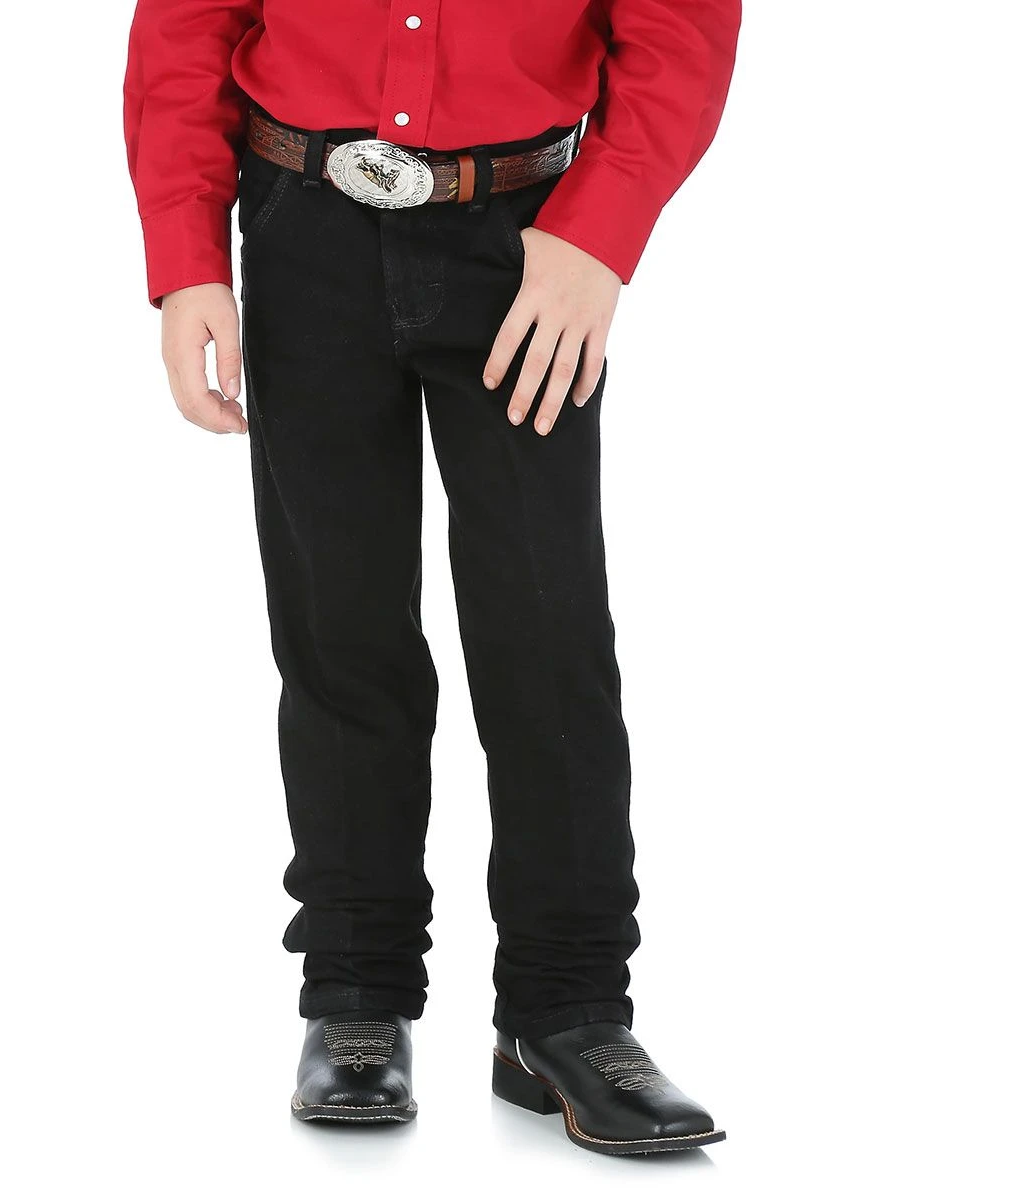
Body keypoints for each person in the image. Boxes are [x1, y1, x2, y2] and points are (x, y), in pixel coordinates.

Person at [123, 0, 740, 1154]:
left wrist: (601, 229)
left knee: (547, 633)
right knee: (338, 626)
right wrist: (187, 252)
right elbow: (187, 27)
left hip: (527, 242)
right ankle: (355, 995)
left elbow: (681, 29)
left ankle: (567, 1011)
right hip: (304, 226)